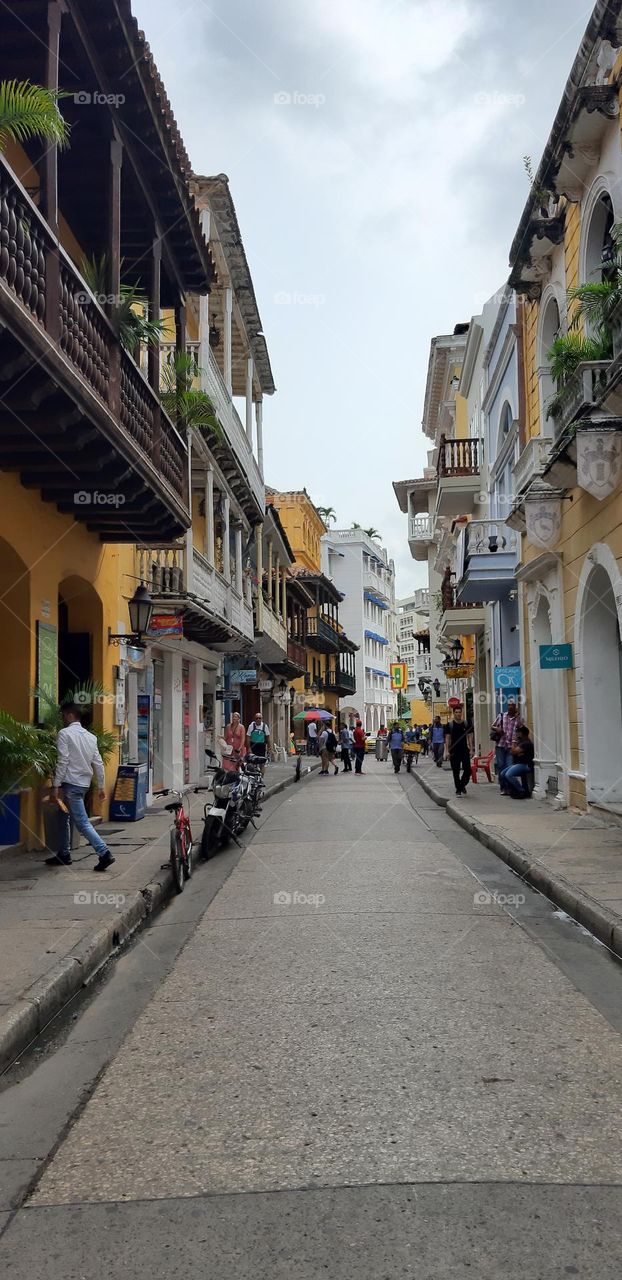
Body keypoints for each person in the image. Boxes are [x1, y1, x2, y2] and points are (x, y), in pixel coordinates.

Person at [46, 703, 114, 870]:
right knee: (63, 818)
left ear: (69, 715)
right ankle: (64, 853)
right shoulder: (91, 737)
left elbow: (63, 760)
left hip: (70, 784)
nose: (62, 719)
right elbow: (98, 763)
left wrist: (55, 785)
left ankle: (104, 853)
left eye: (63, 715)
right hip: (83, 784)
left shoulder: (64, 734)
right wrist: (101, 787)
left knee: (81, 822)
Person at [491, 698, 524, 794]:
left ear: (515, 707)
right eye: (509, 705)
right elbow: (492, 726)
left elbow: (521, 729)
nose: (510, 707)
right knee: (501, 766)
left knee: (509, 767)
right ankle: (503, 788)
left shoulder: (518, 719)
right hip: (500, 745)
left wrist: (517, 717)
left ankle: (510, 787)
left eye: (512, 705)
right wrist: (497, 729)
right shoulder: (501, 716)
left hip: (511, 747)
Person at [444, 704, 474, 796]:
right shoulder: (450, 725)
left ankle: (461, 785)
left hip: (464, 749)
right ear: (453, 713)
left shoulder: (466, 724)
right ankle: (459, 789)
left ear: (462, 713)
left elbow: (470, 736)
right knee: (456, 771)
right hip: (454, 750)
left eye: (459, 712)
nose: (458, 714)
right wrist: (447, 751)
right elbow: (447, 738)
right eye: (456, 712)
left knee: (468, 770)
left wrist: (471, 749)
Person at [499, 725, 534, 798]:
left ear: (523, 734)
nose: (517, 734)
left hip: (526, 765)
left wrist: (513, 743)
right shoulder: (521, 743)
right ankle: (512, 790)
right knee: (503, 773)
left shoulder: (526, 743)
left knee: (509, 775)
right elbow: (513, 752)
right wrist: (517, 751)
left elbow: (514, 751)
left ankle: (521, 790)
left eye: (518, 733)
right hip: (519, 764)